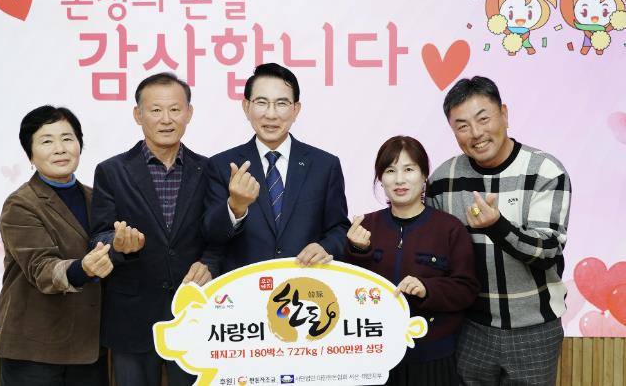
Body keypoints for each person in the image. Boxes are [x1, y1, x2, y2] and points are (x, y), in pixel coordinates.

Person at [427, 76, 571, 385]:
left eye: (483, 119)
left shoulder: (544, 171)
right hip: (469, 327)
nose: (476, 133)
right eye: (462, 126)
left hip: (534, 329)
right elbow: (433, 254)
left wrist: (498, 226)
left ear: (504, 114)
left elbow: (548, 252)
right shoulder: (442, 180)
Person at [90, 72, 220, 386]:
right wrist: (118, 245)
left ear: (189, 113)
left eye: (175, 109)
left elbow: (218, 235)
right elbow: (99, 236)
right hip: (132, 317)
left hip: (194, 312)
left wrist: (210, 264)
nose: (166, 119)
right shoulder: (111, 171)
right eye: (156, 110)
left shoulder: (209, 170)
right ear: (138, 115)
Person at [345, 135, 479, 386]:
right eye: (390, 171)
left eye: (409, 169)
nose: (399, 179)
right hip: (373, 355)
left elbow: (466, 289)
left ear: (424, 175)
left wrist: (427, 288)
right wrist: (357, 250)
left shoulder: (449, 228)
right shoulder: (364, 226)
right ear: (380, 178)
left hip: (432, 356)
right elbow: (347, 292)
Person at [0, 105, 111, 386]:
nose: (60, 149)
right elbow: (41, 267)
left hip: (89, 348)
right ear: (30, 154)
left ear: (79, 145)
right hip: (36, 351)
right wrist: (83, 268)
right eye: (47, 141)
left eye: (67, 138)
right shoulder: (21, 204)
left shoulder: (97, 198)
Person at [202, 62, 349, 272]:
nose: (271, 114)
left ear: (296, 109)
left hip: (305, 283)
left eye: (281, 103)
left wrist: (326, 247)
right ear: (246, 107)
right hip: (244, 285)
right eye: (261, 102)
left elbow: (339, 228)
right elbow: (210, 236)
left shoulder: (325, 165)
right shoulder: (221, 165)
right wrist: (235, 207)